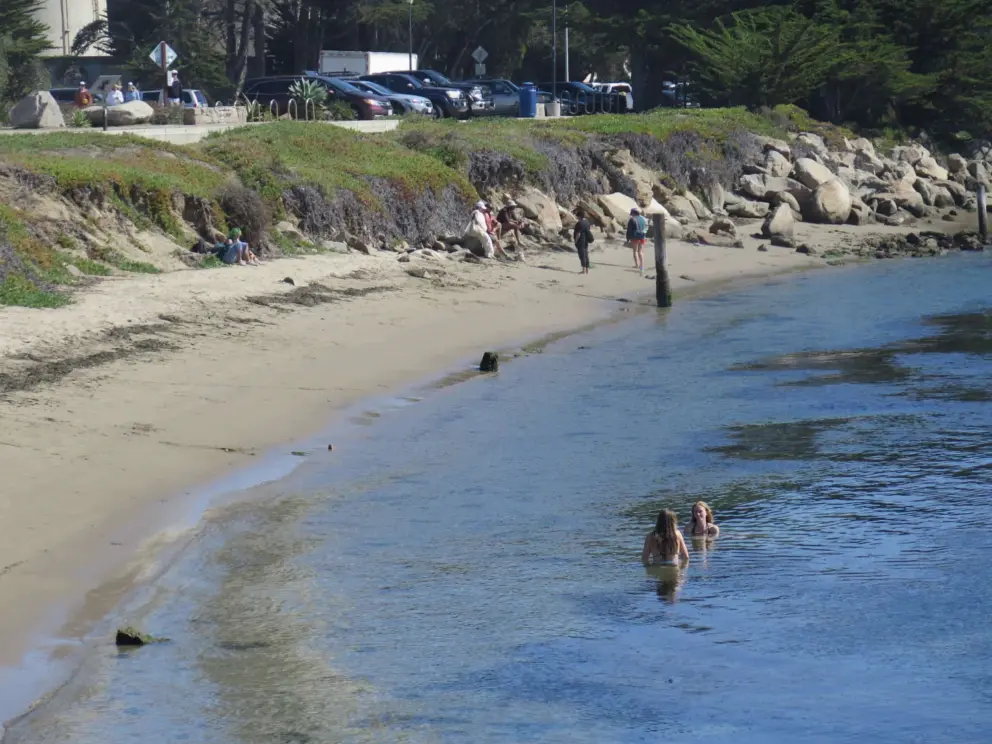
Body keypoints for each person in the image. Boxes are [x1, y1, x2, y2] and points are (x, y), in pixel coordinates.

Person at [625, 207, 648, 274]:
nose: (631, 214)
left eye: (631, 213)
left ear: (633, 213)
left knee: (635, 251)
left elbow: (629, 230)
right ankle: (642, 266)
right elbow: (646, 227)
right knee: (640, 251)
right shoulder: (644, 219)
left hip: (635, 237)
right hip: (642, 236)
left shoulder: (632, 220)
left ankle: (636, 265)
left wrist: (627, 239)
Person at [573, 207, 594, 274]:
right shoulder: (587, 222)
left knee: (582, 255)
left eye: (577, 216)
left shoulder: (579, 223)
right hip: (586, 241)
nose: (577, 217)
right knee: (586, 254)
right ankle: (587, 270)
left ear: (579, 216)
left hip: (580, 241)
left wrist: (576, 241)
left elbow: (578, 234)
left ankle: (583, 270)